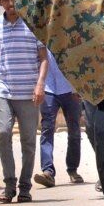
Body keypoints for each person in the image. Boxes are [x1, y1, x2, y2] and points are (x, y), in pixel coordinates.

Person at [0, 0, 48, 203]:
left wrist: (40, 85)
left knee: (29, 141)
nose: (11, 3)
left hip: (29, 92)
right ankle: (9, 184)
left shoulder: (33, 24)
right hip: (4, 89)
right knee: (3, 134)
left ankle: (24, 187)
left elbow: (43, 59)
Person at [37, 50, 84, 186]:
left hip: (71, 89)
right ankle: (48, 172)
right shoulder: (41, 35)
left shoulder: (69, 32)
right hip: (48, 87)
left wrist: (78, 87)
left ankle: (73, 169)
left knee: (74, 131)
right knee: (47, 129)